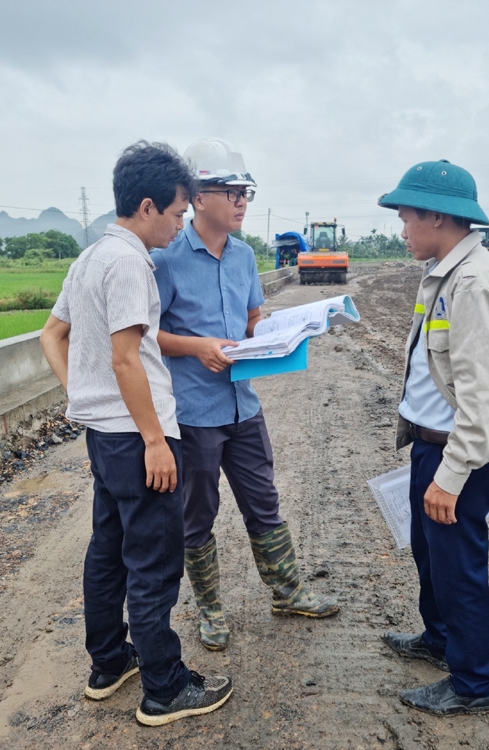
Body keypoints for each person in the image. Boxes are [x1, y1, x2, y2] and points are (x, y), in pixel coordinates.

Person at [39, 141, 233, 727]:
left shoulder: (90, 257)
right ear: (146, 207)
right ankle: (165, 688)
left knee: (108, 550)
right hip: (137, 435)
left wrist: (83, 398)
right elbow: (127, 360)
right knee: (153, 560)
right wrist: (153, 439)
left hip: (105, 434)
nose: (180, 225)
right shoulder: (129, 263)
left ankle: (108, 664)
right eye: (177, 214)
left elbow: (51, 337)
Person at [150, 137, 339, 652]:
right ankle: (210, 609)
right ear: (198, 197)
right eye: (230, 191)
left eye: (245, 192)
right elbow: (146, 335)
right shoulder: (166, 260)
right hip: (195, 412)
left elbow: (253, 321)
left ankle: (288, 590)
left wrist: (286, 332)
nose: (240, 202)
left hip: (242, 405)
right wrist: (196, 347)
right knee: (198, 512)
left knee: (264, 501)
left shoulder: (243, 257)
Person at [376, 160, 489, 716]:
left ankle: (471, 684)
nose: (402, 230)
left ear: (437, 217)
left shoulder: (472, 282)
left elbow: (486, 395)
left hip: (457, 452)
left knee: (458, 565)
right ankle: (439, 639)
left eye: (407, 218)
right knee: (430, 554)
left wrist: (452, 474)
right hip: (430, 443)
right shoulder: (444, 271)